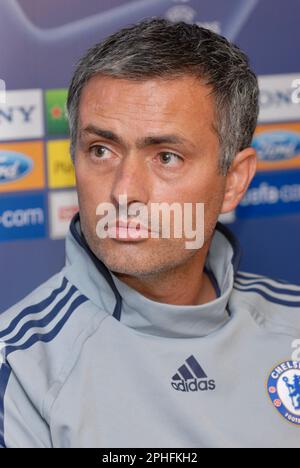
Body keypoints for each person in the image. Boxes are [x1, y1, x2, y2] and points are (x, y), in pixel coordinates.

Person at [0, 18, 299, 449]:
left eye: (167, 157)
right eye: (101, 150)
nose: (124, 192)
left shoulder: (291, 322)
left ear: (233, 181)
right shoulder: (20, 369)